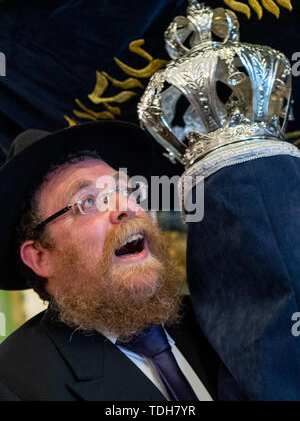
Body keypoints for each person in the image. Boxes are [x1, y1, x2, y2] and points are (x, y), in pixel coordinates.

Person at [0, 120, 219, 401]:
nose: (125, 208)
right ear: (40, 257)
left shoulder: (215, 321)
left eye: (126, 191)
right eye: (88, 202)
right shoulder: (16, 385)